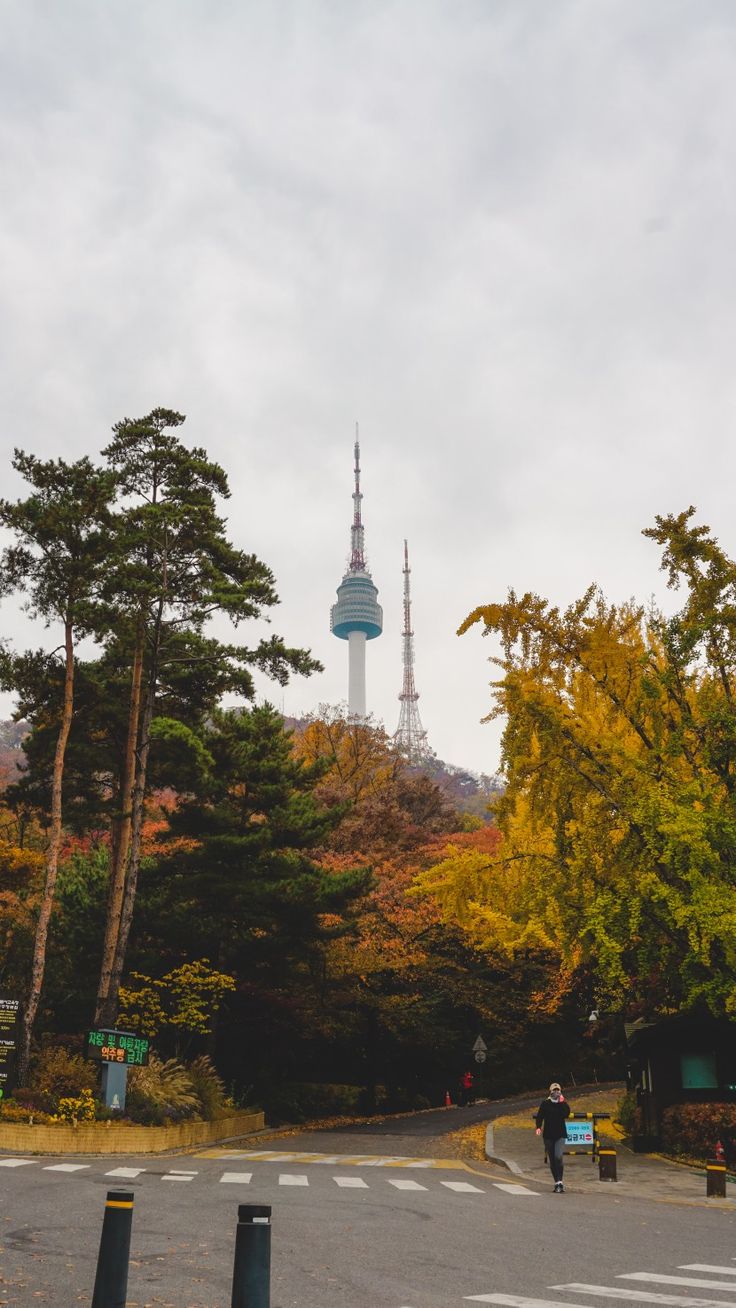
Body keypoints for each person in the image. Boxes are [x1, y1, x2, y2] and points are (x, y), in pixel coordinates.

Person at [535, 1081, 571, 1193]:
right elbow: (540, 1116)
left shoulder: (562, 1103)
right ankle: (557, 1182)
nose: (556, 1092)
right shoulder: (545, 1103)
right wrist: (538, 1127)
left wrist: (562, 1102)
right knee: (552, 1159)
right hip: (548, 1135)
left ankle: (561, 1181)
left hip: (560, 1134)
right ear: (550, 1092)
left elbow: (566, 1114)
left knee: (558, 1157)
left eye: (558, 1090)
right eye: (554, 1090)